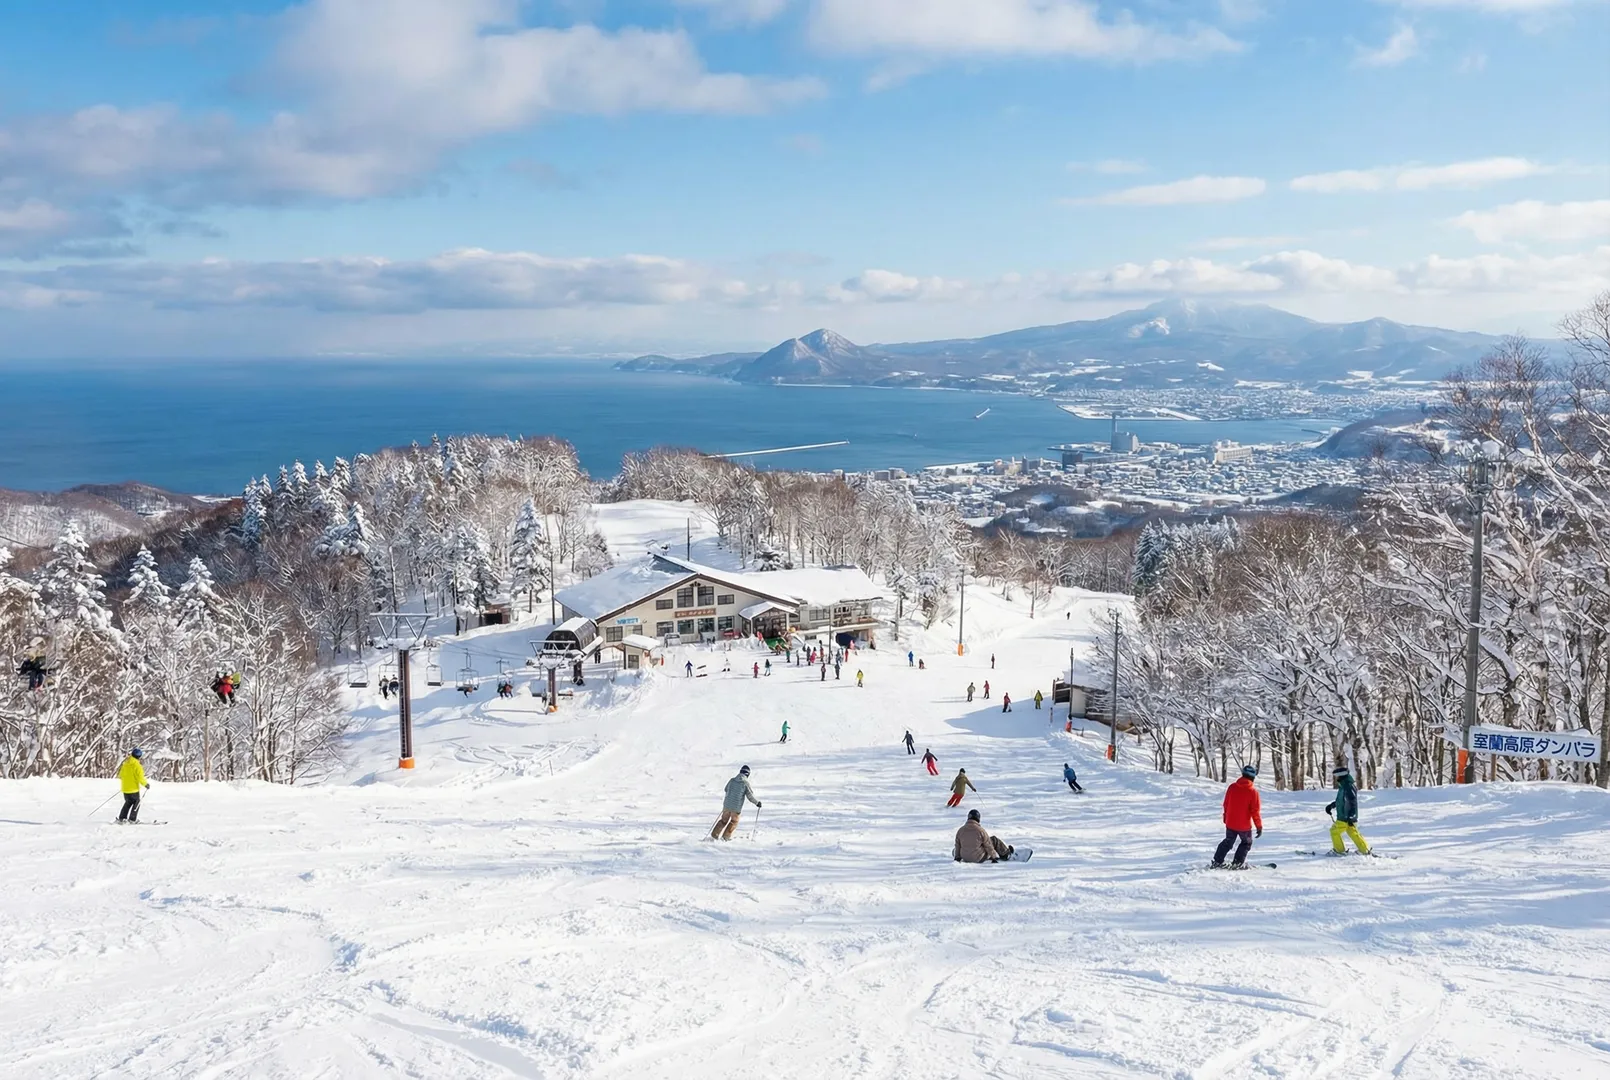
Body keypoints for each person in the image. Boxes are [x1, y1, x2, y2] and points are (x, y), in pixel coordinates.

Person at [1211, 765, 1263, 869]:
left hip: (1230, 823)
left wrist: (1225, 818)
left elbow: (1226, 804)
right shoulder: (1253, 792)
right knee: (1246, 843)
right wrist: (1259, 826)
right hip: (1244, 826)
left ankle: (1217, 861)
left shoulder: (1232, 787)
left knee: (1228, 842)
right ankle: (1237, 863)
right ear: (1253, 778)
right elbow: (1255, 812)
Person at [1326, 766, 1370, 855]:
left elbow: (1352, 801)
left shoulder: (1348, 786)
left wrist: (1350, 816)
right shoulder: (1344, 785)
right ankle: (1364, 850)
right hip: (1347, 816)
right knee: (1353, 832)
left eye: (1337, 776)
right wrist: (1331, 806)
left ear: (1341, 776)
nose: (1336, 778)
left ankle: (1339, 851)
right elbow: (1341, 800)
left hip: (1345, 816)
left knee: (1334, 831)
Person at [710, 765, 761, 841]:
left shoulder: (732, 780)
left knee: (723, 820)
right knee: (734, 821)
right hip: (736, 807)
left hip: (727, 805)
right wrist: (757, 803)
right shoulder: (745, 783)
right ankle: (725, 837)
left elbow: (726, 789)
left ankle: (714, 835)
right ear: (747, 774)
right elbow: (750, 796)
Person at [117, 747, 150, 824]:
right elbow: (140, 777)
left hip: (125, 788)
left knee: (128, 803)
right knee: (136, 803)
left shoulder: (125, 763)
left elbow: (120, 775)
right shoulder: (137, 765)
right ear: (139, 756)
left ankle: (122, 818)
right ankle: (132, 819)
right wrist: (146, 784)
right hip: (133, 789)